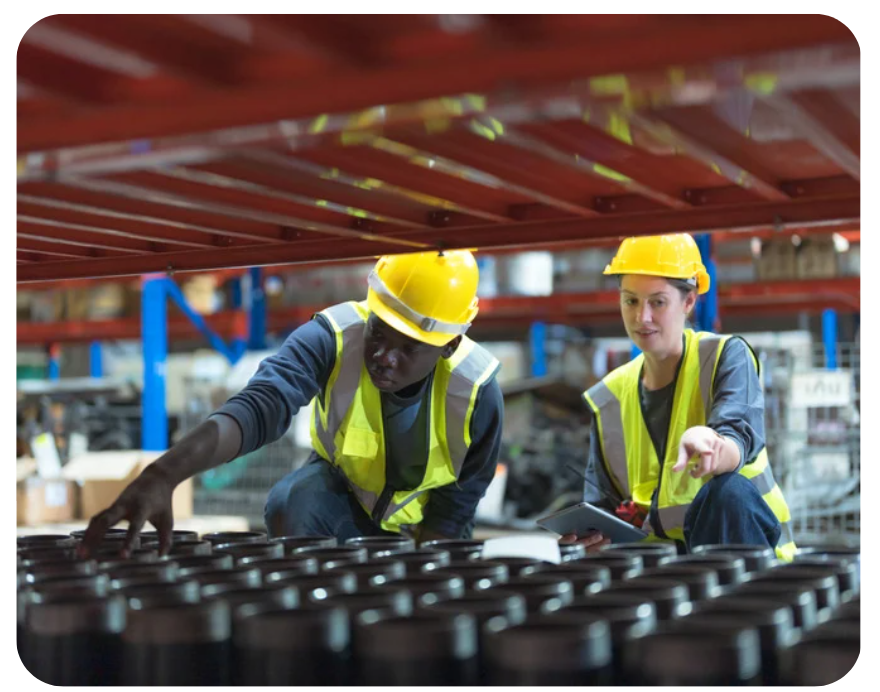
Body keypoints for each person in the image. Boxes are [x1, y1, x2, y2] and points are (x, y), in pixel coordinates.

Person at [79, 250, 503, 557]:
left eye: (408, 347)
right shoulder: (332, 337)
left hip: (423, 534)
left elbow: (454, 510)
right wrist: (164, 474)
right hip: (339, 512)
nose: (383, 357)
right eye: (379, 332)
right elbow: (258, 407)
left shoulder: (476, 392)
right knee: (295, 498)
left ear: (448, 345)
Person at [564, 233, 796, 561]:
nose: (641, 317)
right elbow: (605, 506)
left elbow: (737, 436)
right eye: (630, 301)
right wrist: (592, 536)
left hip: (748, 561)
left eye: (657, 302)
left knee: (727, 491)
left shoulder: (723, 356)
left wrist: (715, 444)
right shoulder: (610, 396)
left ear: (688, 303)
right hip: (663, 572)